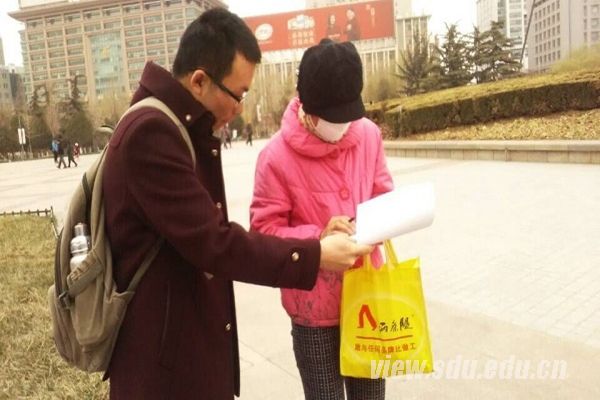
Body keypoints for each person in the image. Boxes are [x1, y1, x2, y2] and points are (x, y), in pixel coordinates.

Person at [101, 9, 373, 400]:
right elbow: (216, 243)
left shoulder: (177, 128)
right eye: (239, 94)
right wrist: (315, 254)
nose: (240, 108)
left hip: (179, 351)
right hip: (164, 369)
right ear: (199, 81)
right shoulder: (152, 134)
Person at [250, 39, 393, 400]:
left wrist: (374, 225)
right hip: (312, 310)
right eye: (333, 118)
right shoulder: (275, 157)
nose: (342, 126)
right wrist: (319, 237)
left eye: (349, 115)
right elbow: (263, 233)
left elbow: (383, 194)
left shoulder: (368, 135)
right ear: (307, 107)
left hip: (366, 296)